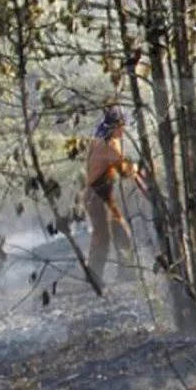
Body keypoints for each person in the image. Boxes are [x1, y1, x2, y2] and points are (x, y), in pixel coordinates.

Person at [84, 106, 138, 285]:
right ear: (116, 126)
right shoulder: (108, 145)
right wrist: (136, 167)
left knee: (121, 232)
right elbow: (124, 171)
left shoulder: (98, 140)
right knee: (103, 237)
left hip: (101, 195)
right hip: (97, 196)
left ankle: (126, 272)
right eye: (122, 126)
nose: (124, 130)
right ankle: (94, 277)